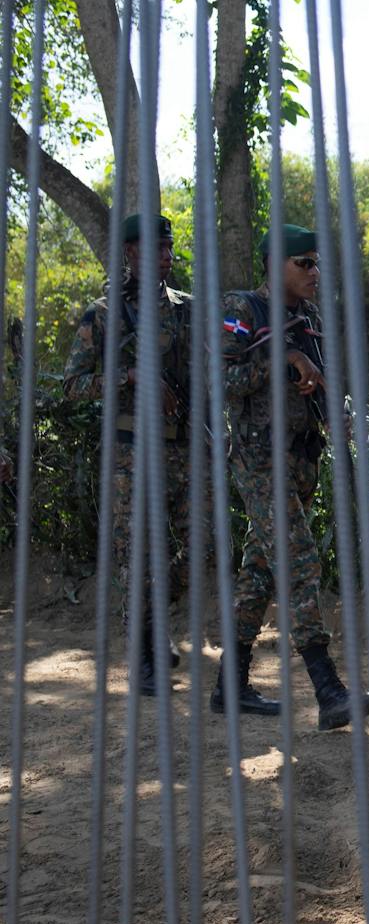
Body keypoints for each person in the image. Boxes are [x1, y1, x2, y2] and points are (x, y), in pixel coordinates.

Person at [217, 223, 362, 729]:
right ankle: (327, 688)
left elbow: (318, 378)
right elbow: (220, 377)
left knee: (260, 570)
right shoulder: (243, 310)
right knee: (299, 561)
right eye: (305, 264)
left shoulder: (309, 315)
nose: (315, 272)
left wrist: (333, 413)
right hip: (260, 461)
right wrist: (281, 360)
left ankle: (228, 687)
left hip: (302, 459)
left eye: (316, 263)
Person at [63, 213, 195, 696]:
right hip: (130, 454)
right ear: (130, 253)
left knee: (194, 547)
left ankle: (155, 627)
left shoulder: (186, 309)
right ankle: (144, 655)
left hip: (181, 449)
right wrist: (129, 377)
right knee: (133, 556)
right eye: (157, 247)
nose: (166, 255)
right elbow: (72, 385)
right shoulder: (103, 315)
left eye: (169, 247)